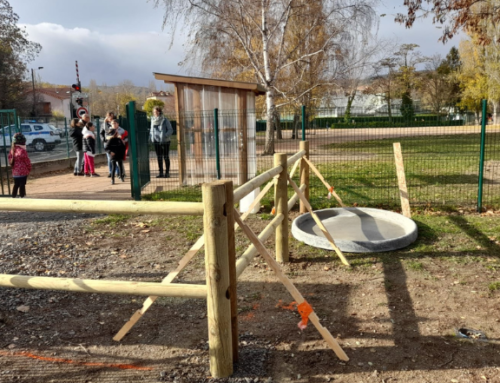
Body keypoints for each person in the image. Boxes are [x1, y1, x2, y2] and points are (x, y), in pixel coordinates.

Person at [150, 106, 173, 178]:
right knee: (159, 157)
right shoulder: (152, 120)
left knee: (166, 156)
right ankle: (161, 173)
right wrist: (151, 137)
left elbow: (170, 130)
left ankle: (167, 173)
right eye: (154, 112)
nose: (155, 113)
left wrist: (164, 136)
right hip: (156, 141)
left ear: (160, 112)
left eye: (156, 112)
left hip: (165, 141)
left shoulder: (165, 120)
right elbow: (151, 130)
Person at [8, 133, 32, 198]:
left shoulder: (12, 150)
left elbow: (10, 159)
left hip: (15, 172)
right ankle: (22, 196)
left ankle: (13, 196)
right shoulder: (22, 151)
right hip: (23, 171)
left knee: (16, 184)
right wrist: (29, 168)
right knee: (22, 184)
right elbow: (27, 161)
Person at [100, 111, 118, 178]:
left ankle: (118, 171)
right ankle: (111, 172)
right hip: (107, 143)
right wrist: (103, 140)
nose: (111, 117)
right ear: (107, 116)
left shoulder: (115, 123)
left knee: (116, 157)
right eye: (109, 116)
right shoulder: (104, 124)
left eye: (112, 116)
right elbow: (101, 133)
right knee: (109, 158)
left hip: (115, 142)